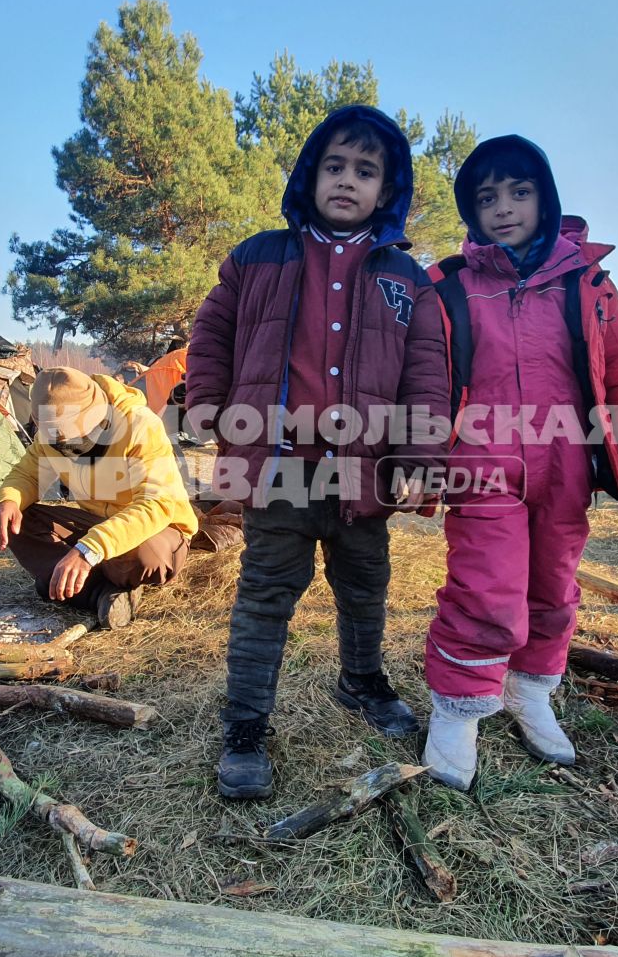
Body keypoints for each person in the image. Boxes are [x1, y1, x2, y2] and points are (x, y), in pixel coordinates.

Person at [186, 105, 449, 801]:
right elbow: (210, 333)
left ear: (386, 189)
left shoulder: (405, 278)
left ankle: (359, 680)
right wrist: (209, 401)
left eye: (365, 171)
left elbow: (426, 371)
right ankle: (244, 725)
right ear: (310, 174)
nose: (346, 181)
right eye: (334, 166)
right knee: (265, 595)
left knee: (365, 586)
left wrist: (421, 449)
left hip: (362, 472)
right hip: (278, 467)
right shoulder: (257, 257)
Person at [421, 136, 618, 788]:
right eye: (486, 197)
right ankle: (457, 709)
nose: (503, 208)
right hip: (481, 458)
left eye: (518, 192)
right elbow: (417, 373)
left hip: (566, 462)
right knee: (485, 588)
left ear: (545, 198)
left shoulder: (588, 284)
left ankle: (529, 690)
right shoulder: (448, 286)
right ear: (470, 208)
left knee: (553, 587)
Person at [0, 367, 199, 628]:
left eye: (74, 438)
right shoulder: (51, 435)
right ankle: (102, 593)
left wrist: (90, 549)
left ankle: (74, 583)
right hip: (97, 524)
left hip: (160, 530)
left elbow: (156, 504)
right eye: (58, 441)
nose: (66, 447)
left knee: (146, 557)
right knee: (18, 520)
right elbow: (28, 475)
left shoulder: (139, 425)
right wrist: (8, 501)